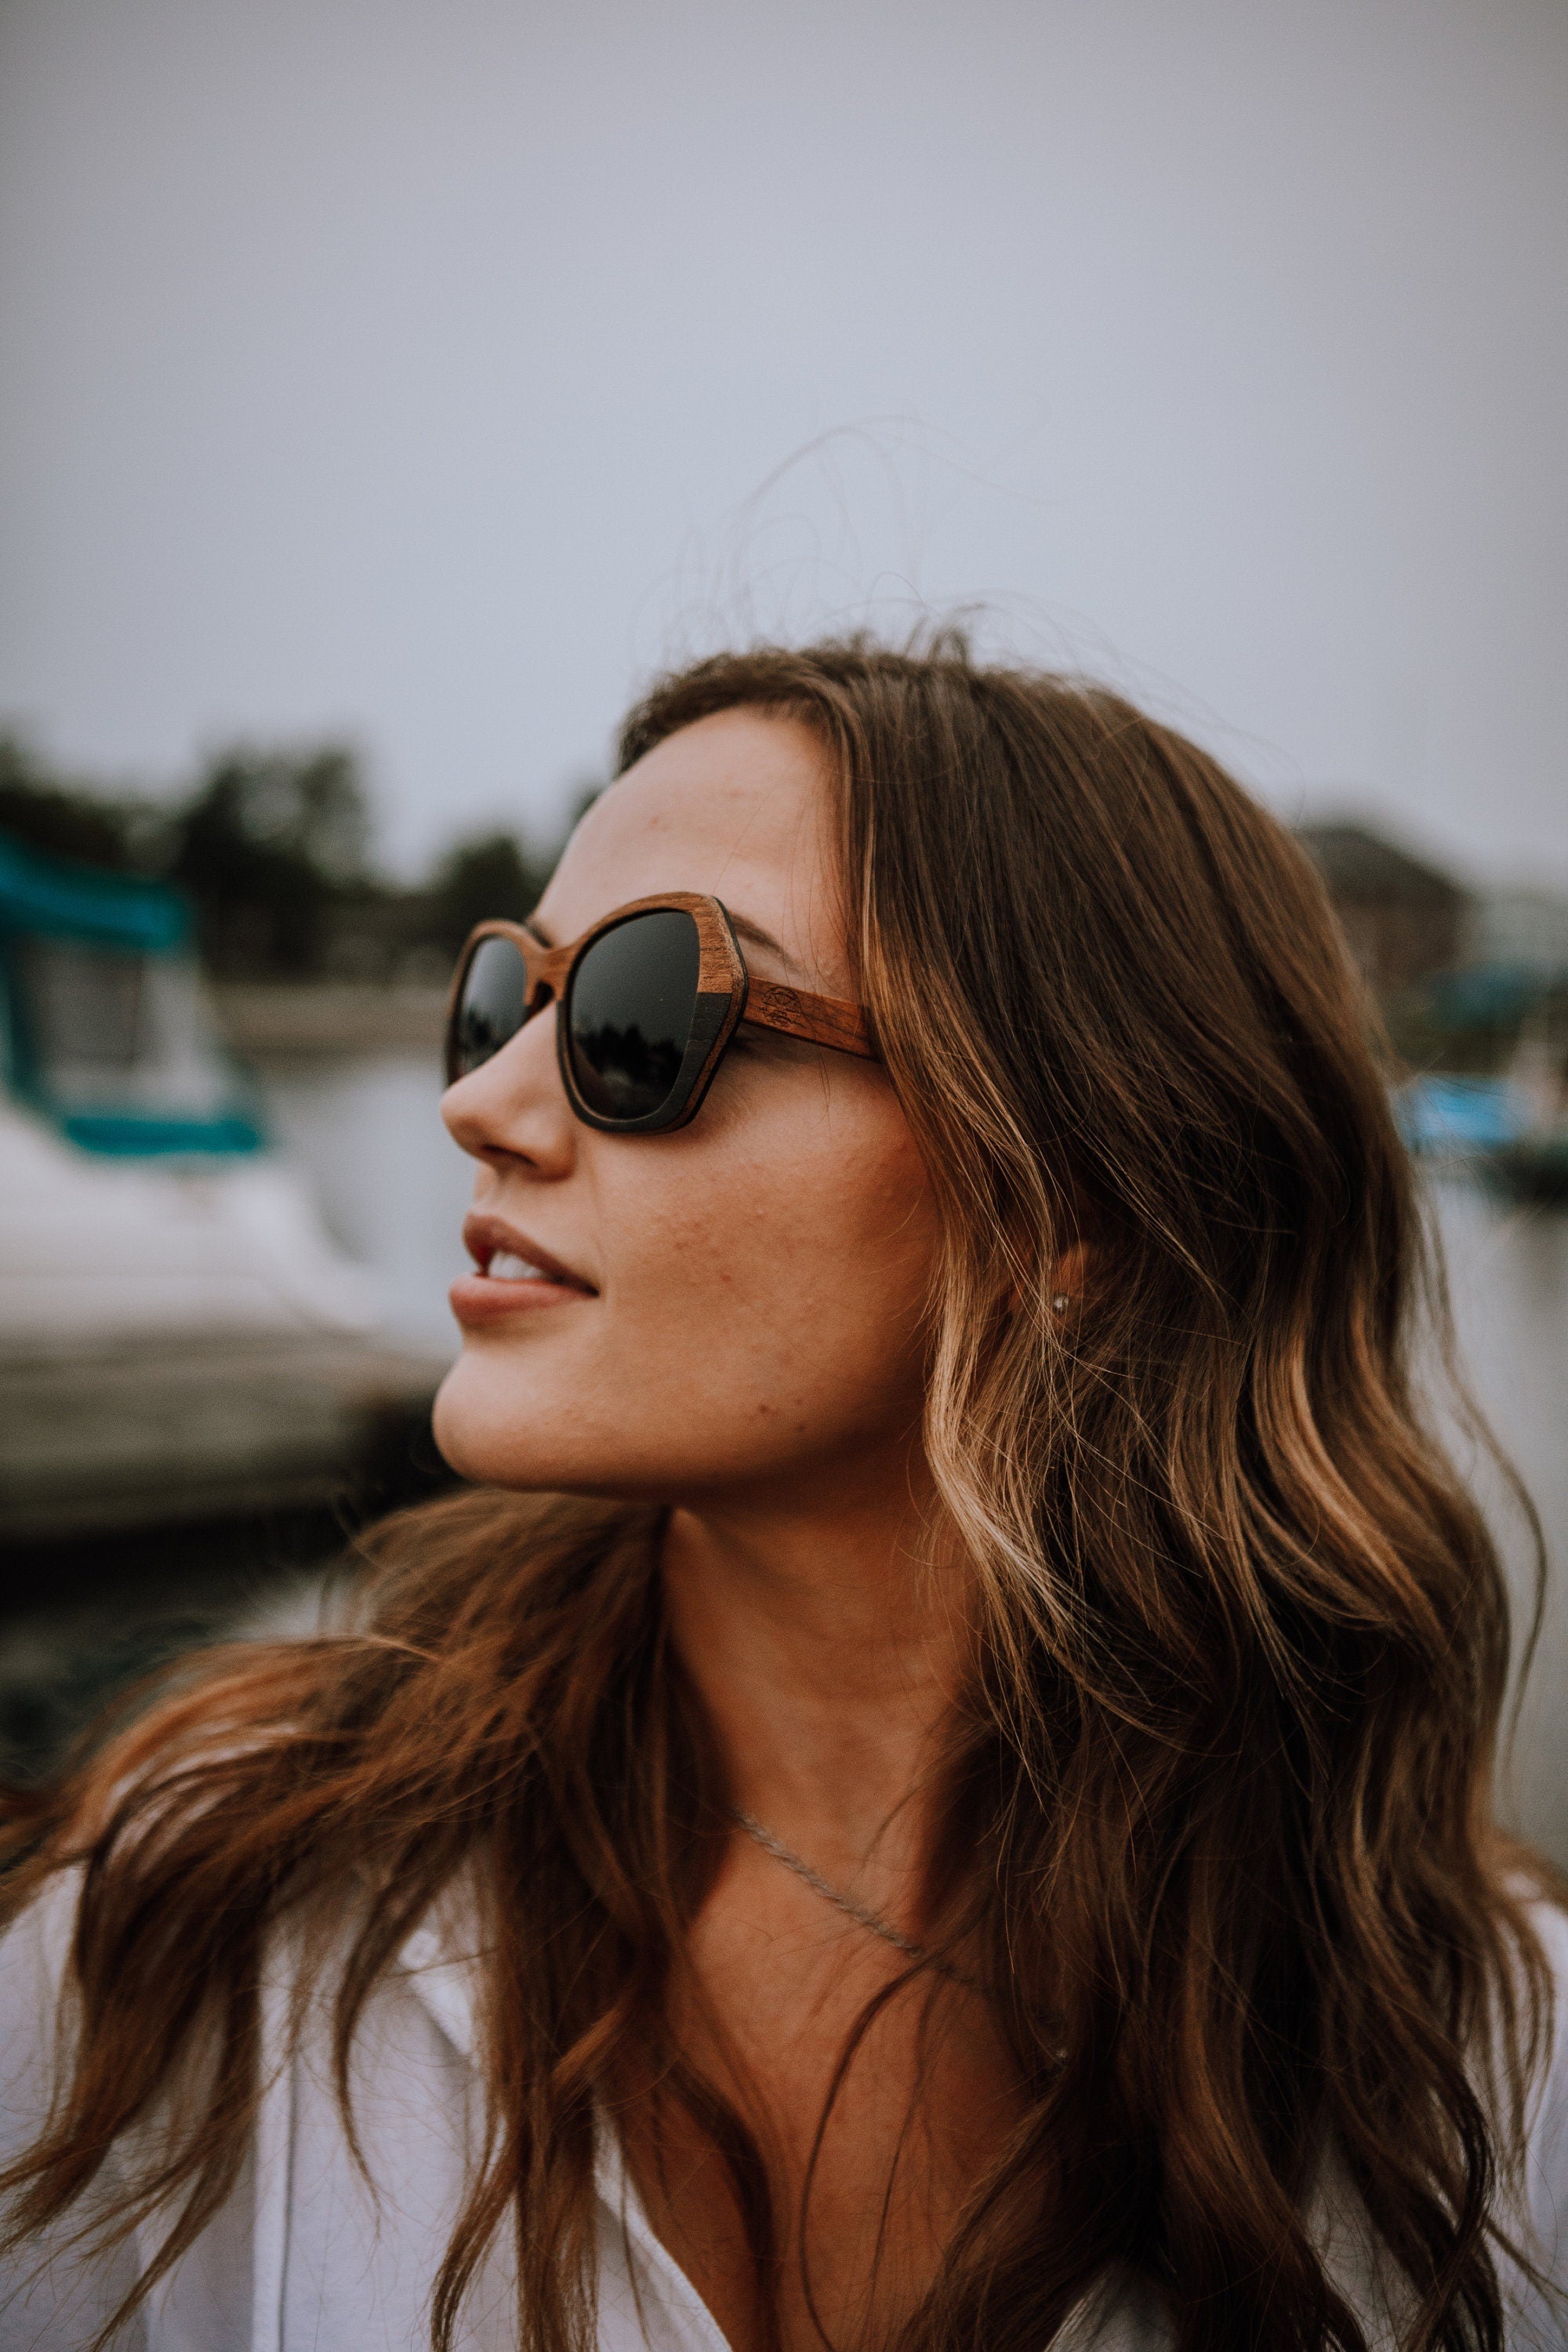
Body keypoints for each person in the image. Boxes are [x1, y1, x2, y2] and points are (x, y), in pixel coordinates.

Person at [1, 638, 1563, 2352]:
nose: (478, 1100)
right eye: (501, 996)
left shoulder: (1491, 2069)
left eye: (643, 1015)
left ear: (1070, 1194)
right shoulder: (195, 1925)